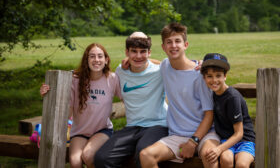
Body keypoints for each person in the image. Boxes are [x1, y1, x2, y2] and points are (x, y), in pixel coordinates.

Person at [139, 23, 220, 168]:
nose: (173, 46)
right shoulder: (165, 66)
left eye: (177, 41)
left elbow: (210, 114)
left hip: (205, 134)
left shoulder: (199, 74)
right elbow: (154, 62)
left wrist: (194, 141)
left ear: (186, 44)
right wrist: (130, 61)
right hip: (177, 135)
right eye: (169, 42)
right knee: (146, 155)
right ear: (163, 47)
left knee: (210, 155)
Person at [40, 43, 122, 168]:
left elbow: (129, 98)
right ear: (86, 60)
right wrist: (49, 94)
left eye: (100, 56)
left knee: (88, 155)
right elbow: (68, 111)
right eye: (92, 56)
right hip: (79, 132)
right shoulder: (76, 80)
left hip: (102, 130)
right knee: (75, 162)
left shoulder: (112, 78)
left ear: (106, 60)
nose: (96, 60)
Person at [94, 32, 168, 168]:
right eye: (134, 51)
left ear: (149, 52)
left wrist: (199, 63)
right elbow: (93, 76)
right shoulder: (120, 71)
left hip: (158, 125)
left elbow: (179, 65)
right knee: (101, 158)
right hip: (132, 127)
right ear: (126, 52)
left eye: (143, 51)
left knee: (142, 154)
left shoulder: (160, 71)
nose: (138, 56)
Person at [200, 53, 255, 168]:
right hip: (227, 139)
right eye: (209, 76)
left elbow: (239, 133)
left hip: (244, 140)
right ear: (204, 78)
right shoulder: (214, 93)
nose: (214, 80)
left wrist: (219, 149)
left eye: (218, 76)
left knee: (242, 164)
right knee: (226, 159)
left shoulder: (232, 98)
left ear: (225, 76)